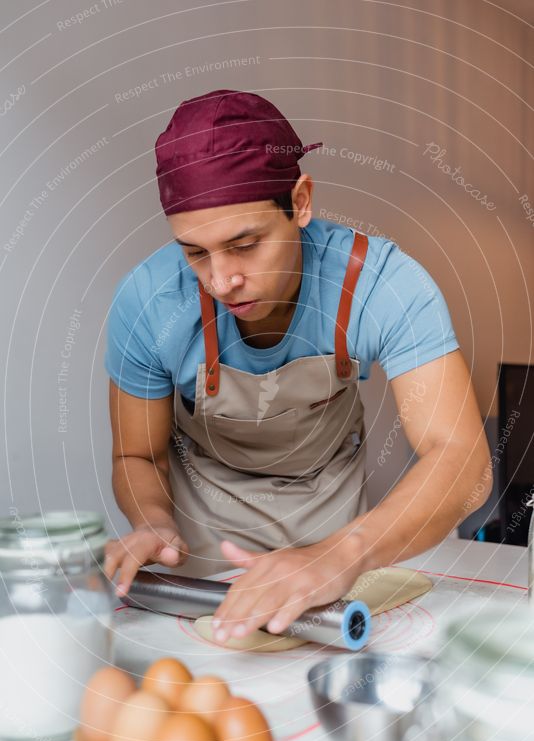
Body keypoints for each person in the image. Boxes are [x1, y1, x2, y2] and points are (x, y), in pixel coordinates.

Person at [103, 89, 491, 645]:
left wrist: (341, 554)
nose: (220, 280)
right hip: (204, 565)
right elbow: (135, 453)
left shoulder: (381, 283)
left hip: (337, 559)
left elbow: (461, 462)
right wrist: (153, 522)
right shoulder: (148, 302)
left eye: (245, 244)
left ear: (301, 201)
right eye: (195, 252)